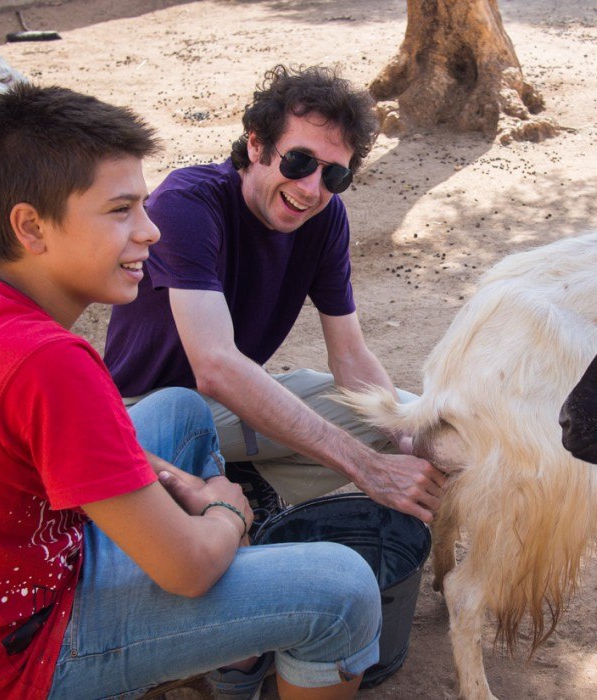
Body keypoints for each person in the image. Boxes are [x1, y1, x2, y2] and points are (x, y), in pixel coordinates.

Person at [0, 83, 381, 700]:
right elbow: (185, 569)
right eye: (121, 210)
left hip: (12, 583)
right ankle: (232, 658)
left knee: (181, 412)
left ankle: (230, 652)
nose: (150, 232)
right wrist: (226, 514)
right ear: (31, 226)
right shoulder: (52, 364)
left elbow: (60, 451)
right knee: (344, 590)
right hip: (27, 656)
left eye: (144, 207)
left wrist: (181, 484)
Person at [102, 65, 446, 522]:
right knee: (187, 406)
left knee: (405, 416)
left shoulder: (324, 219)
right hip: (145, 414)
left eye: (334, 176)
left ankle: (245, 491)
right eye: (299, 161)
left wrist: (406, 446)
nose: (310, 189)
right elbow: (216, 368)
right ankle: (193, 499)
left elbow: (348, 355)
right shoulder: (188, 204)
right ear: (256, 144)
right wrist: (370, 469)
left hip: (227, 408)